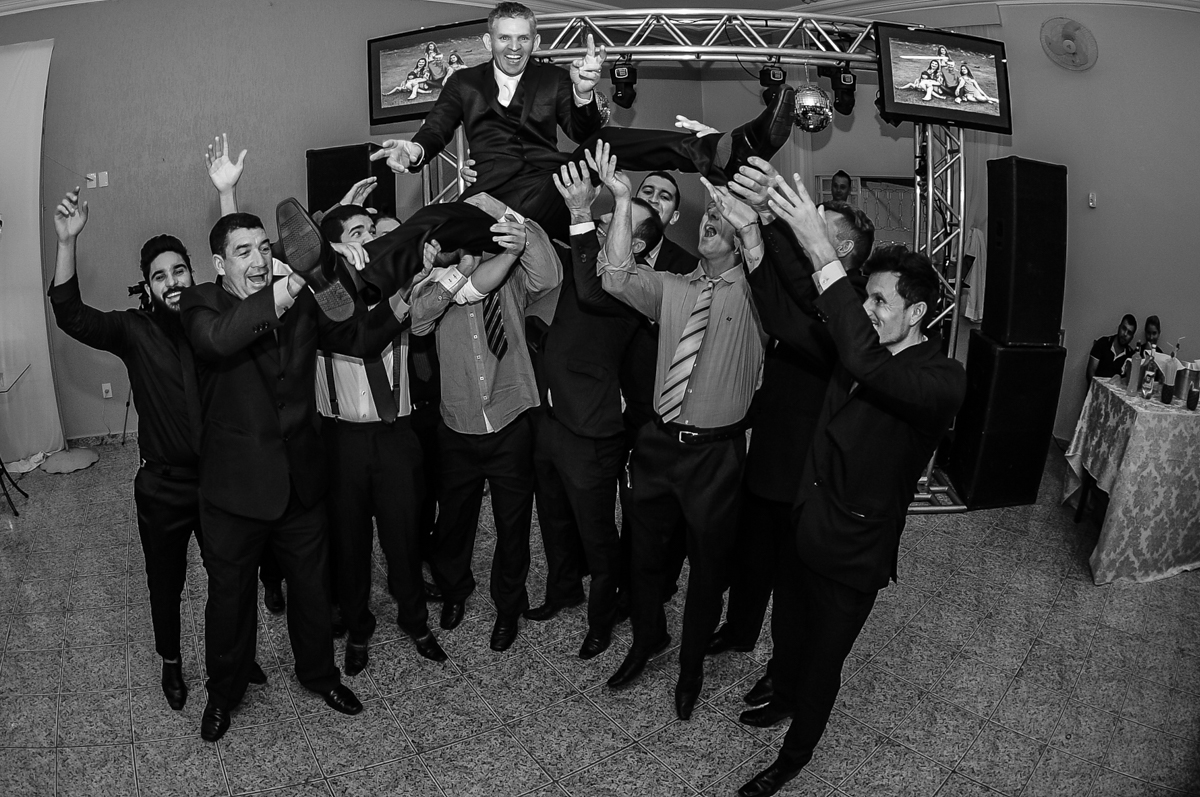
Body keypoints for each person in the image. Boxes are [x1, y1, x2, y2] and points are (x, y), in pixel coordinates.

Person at [735, 175, 966, 797]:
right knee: (788, 630)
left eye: (880, 302)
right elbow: (786, 317)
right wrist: (754, 235)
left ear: (917, 313)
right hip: (806, 523)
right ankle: (781, 693)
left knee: (822, 662)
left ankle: (793, 757)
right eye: (865, 297)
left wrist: (820, 249)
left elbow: (865, 361)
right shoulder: (856, 343)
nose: (867, 310)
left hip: (854, 550)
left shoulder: (942, 379)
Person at [179, 210, 406, 741]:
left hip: (300, 480)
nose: (259, 259)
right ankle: (224, 691)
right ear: (219, 264)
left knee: (311, 589)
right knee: (230, 599)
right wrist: (294, 283)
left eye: (264, 247)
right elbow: (220, 340)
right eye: (243, 251)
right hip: (235, 490)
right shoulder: (200, 304)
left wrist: (399, 297)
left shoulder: (302, 299)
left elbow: (357, 338)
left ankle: (319, 674)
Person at [369, 2, 796, 242]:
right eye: (504, 38)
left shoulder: (554, 78)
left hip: (549, 190)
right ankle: (364, 277)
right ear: (488, 41)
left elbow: (583, 133)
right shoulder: (463, 83)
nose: (514, 47)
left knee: (602, 143)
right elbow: (435, 129)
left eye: (522, 38)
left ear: (535, 41)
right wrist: (414, 150)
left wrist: (583, 93)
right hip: (491, 199)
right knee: (425, 227)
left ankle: (724, 151)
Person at [596, 149, 766, 723]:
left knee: (707, 574)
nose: (709, 220)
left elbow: (774, 273)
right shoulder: (671, 287)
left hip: (716, 456)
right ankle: (648, 638)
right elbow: (615, 275)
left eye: (722, 217)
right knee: (643, 560)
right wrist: (623, 201)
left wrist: (752, 222)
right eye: (707, 215)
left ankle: (691, 667)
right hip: (657, 444)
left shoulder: (757, 296)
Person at [48, 189, 228, 713]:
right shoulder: (133, 330)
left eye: (179, 271)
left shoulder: (214, 324)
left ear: (193, 274)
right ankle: (171, 662)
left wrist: (224, 195)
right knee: (165, 584)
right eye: (159, 276)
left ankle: (231, 651)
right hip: (162, 487)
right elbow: (71, 315)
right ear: (148, 287)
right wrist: (67, 242)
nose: (172, 282)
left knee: (228, 577)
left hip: (218, 483)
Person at [706, 158, 875, 705]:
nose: (805, 223)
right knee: (751, 551)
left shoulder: (851, 304)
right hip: (772, 440)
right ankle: (739, 629)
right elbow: (777, 299)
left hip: (805, 464)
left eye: (817, 222)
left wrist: (762, 227)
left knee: (791, 576)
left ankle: (783, 673)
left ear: (841, 247)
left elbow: (783, 316)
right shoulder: (810, 284)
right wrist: (753, 229)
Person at [523, 146, 666, 661]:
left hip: (592, 432)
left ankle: (602, 620)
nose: (601, 226)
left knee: (598, 536)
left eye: (613, 223)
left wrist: (586, 213)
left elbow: (588, 292)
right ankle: (563, 589)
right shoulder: (582, 258)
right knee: (554, 518)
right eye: (602, 221)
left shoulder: (634, 289)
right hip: (552, 419)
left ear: (636, 244)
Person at [408, 194, 558, 653]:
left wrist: (502, 211)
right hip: (457, 424)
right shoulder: (431, 283)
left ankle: (508, 606)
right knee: (455, 522)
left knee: (513, 525)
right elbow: (419, 322)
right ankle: (454, 591)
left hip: (510, 418)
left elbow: (550, 274)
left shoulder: (509, 273)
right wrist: (459, 272)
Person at [314, 204, 448, 674]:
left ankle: (416, 621)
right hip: (342, 440)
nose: (371, 238)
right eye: (358, 232)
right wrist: (326, 249)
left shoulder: (406, 287)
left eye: (373, 230)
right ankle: (357, 628)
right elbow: (288, 254)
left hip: (396, 436)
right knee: (349, 545)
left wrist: (419, 275)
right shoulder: (318, 298)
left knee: (404, 537)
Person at [1086, 313, 1136, 383]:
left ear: (1132, 337)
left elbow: (1129, 381)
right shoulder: (1102, 343)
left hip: (1115, 389)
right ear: (1119, 327)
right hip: (1096, 386)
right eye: (1124, 329)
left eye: (1129, 333)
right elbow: (1090, 372)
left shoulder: (1130, 356)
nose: (1125, 334)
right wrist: (1098, 387)